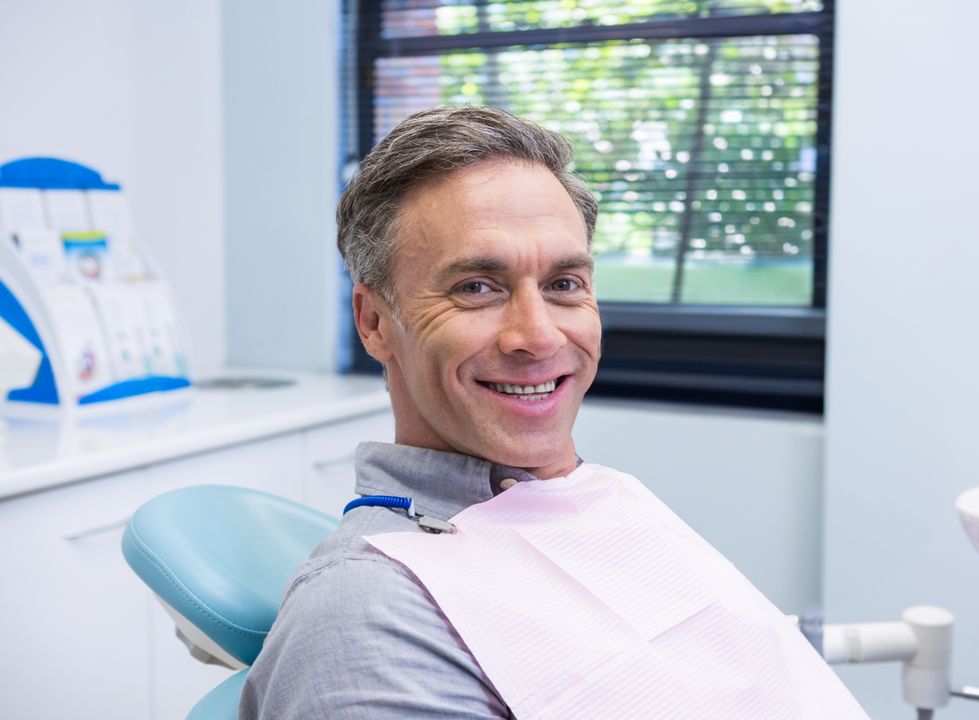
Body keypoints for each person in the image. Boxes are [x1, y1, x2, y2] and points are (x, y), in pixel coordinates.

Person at [240, 106, 866, 719]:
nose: (537, 337)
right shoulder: (366, 614)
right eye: (476, 287)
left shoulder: (595, 500)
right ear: (375, 323)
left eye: (564, 284)